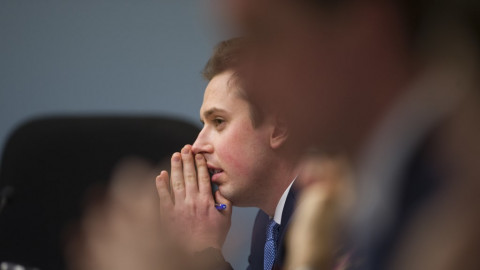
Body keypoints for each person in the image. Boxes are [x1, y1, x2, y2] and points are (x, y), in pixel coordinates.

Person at [217, 0, 480, 269]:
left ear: (364, 21)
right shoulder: (386, 200)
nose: (249, 84)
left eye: (266, 36)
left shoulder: (453, 203)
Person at [155, 38, 303, 270]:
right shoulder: (266, 224)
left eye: (219, 121)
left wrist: (203, 252)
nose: (196, 145)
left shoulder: (325, 221)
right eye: (203, 123)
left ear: (279, 128)